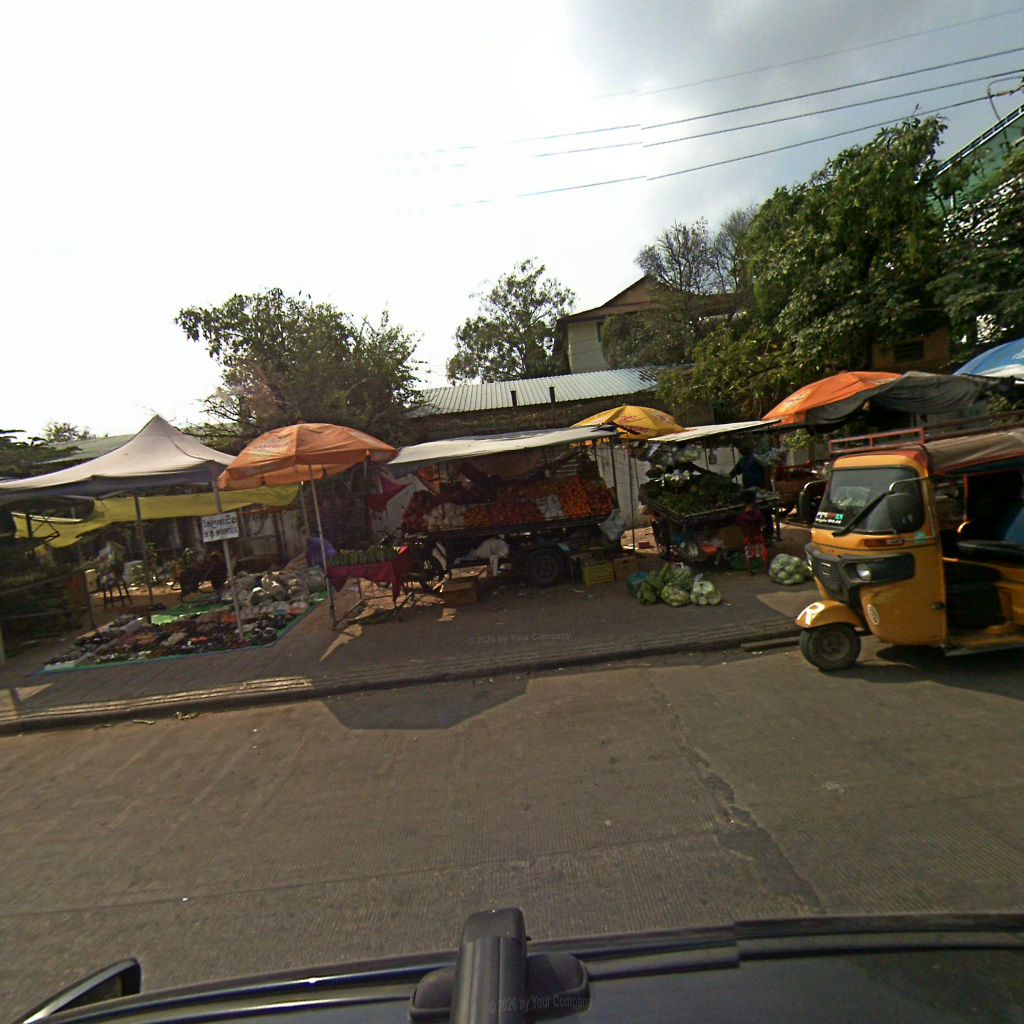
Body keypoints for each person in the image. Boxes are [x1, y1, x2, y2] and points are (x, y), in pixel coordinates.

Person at [735, 490, 768, 575]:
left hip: (747, 537)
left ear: (743, 502)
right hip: (758, 536)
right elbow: (763, 525)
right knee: (762, 553)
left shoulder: (741, 515)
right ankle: (766, 569)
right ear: (754, 500)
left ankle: (749, 571)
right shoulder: (758, 513)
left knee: (748, 554)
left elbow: (739, 526)